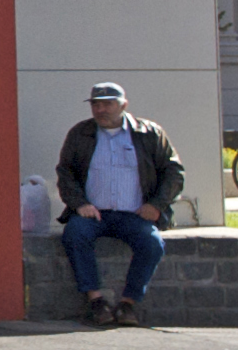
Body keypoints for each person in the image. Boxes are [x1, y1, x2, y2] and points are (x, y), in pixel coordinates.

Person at [54, 82, 183, 326]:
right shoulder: (80, 134)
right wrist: (79, 204)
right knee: (75, 234)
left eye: (107, 104)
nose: (101, 110)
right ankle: (96, 301)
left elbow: (174, 173)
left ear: (123, 105)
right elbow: (66, 172)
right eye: (96, 104)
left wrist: (156, 205)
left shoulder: (149, 133)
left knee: (152, 243)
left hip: (134, 214)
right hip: (94, 214)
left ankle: (128, 304)